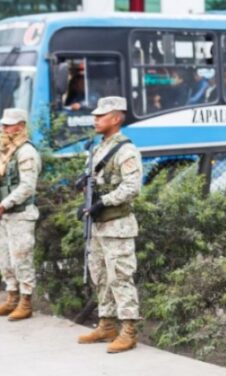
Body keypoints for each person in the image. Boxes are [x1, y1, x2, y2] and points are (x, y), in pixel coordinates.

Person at [77, 96, 143, 354]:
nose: (95, 120)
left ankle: (128, 330)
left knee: (120, 277)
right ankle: (106, 324)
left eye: (101, 116)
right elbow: (98, 179)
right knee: (100, 275)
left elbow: (131, 187)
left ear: (116, 118)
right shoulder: (100, 147)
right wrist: (84, 186)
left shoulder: (126, 150)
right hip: (98, 224)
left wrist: (103, 202)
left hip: (117, 225)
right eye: (95, 116)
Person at [0, 108, 42, 321]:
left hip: (20, 214)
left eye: (9, 125)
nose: (4, 128)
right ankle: (11, 298)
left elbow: (28, 186)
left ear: (21, 126)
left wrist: (6, 202)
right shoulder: (5, 151)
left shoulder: (26, 152)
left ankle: (25, 302)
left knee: (22, 259)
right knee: (5, 259)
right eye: (3, 124)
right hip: (6, 215)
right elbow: (2, 177)